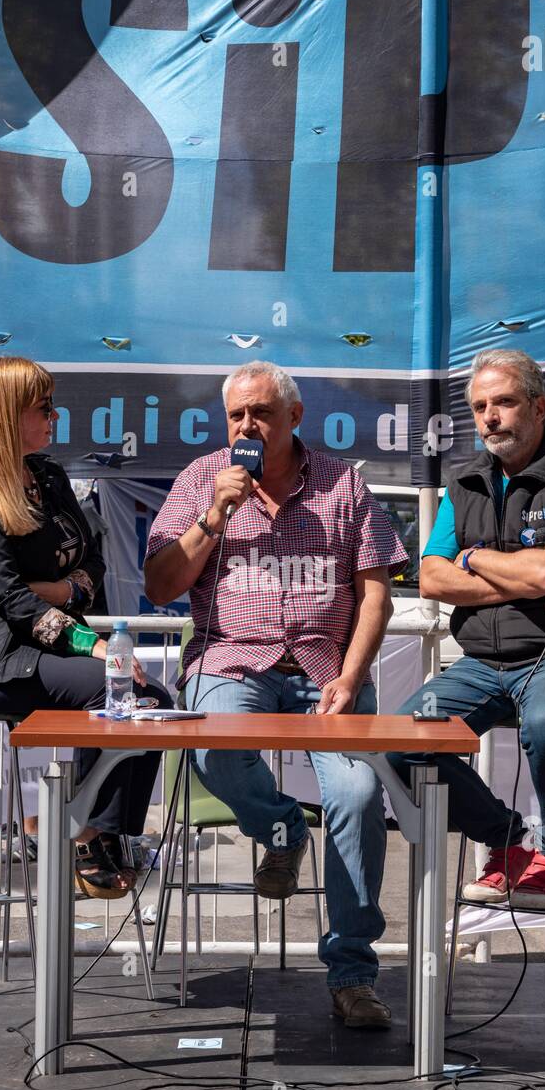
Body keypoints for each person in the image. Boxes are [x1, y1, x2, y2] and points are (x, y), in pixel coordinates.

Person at [145, 360, 408, 1028]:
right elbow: (159, 585)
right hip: (232, 659)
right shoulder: (202, 480)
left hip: (325, 670)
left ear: (293, 417)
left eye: (260, 413)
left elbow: (375, 592)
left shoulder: (343, 484)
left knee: (355, 794)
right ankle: (281, 828)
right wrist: (213, 516)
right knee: (212, 749)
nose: (246, 426)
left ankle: (351, 974)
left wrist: (350, 676)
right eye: (236, 415)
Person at [391, 349, 545, 912]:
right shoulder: (466, 483)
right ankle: (507, 838)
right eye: (479, 407)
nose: (490, 417)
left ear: (539, 406)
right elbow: (429, 577)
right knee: (398, 738)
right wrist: (519, 579)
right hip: (482, 662)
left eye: (503, 402)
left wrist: (471, 560)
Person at [0, 355, 169, 898]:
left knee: (149, 697)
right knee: (126, 693)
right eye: (43, 408)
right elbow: (10, 598)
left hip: (42, 647)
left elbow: (94, 560)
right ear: (5, 414)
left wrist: (62, 591)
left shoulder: (48, 473)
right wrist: (90, 641)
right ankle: (88, 834)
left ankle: (105, 831)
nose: (55, 417)